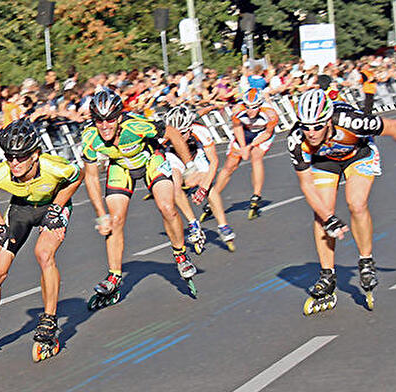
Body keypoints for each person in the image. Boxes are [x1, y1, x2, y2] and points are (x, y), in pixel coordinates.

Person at [0, 119, 82, 365]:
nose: (15, 163)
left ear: (36, 155)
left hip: (52, 206)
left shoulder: (54, 167)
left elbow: (76, 176)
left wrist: (58, 207)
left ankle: (49, 320)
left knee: (43, 254)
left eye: (21, 157)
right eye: (10, 156)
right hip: (20, 210)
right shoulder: (0, 173)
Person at [289, 89, 396, 314]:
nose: (311, 132)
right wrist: (329, 218)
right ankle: (327, 274)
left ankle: (366, 262)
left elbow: (393, 127)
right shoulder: (296, 139)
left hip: (359, 153)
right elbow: (306, 185)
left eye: (317, 126)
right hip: (325, 160)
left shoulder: (352, 121)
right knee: (322, 214)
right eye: (305, 126)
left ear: (328, 120)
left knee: (356, 203)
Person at [81, 90, 198, 308]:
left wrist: (190, 166)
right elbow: (90, 177)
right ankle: (114, 275)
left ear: (119, 117)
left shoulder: (136, 125)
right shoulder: (89, 137)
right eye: (99, 120)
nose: (105, 125)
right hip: (121, 167)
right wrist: (100, 215)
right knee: (114, 221)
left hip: (150, 159)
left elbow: (171, 132)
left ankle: (181, 255)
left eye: (110, 119)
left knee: (166, 207)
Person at [203, 88, 278, 223]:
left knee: (256, 156)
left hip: (262, 134)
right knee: (230, 165)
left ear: (260, 105)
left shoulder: (271, 114)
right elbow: (237, 128)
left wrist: (250, 147)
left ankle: (256, 195)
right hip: (244, 131)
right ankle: (213, 197)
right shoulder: (237, 109)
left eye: (254, 107)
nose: (250, 111)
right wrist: (243, 147)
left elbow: (267, 133)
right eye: (248, 107)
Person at [162, 105, 228, 253]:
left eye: (183, 133)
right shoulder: (165, 134)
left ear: (190, 128)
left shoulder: (201, 131)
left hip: (195, 153)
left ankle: (223, 225)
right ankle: (193, 224)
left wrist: (203, 188)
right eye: (176, 134)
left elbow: (214, 162)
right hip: (174, 155)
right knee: (174, 185)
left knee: (208, 186)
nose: (179, 137)